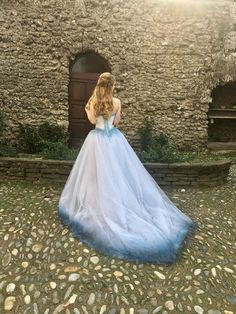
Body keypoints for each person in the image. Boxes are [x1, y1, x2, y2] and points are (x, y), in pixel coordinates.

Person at [58, 72, 197, 264]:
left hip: (96, 141)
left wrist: (88, 108)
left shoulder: (92, 101)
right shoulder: (117, 102)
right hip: (114, 141)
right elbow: (115, 123)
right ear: (112, 86)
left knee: (96, 176)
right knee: (118, 175)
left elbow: (92, 122)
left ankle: (99, 204)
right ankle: (118, 203)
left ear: (99, 84)